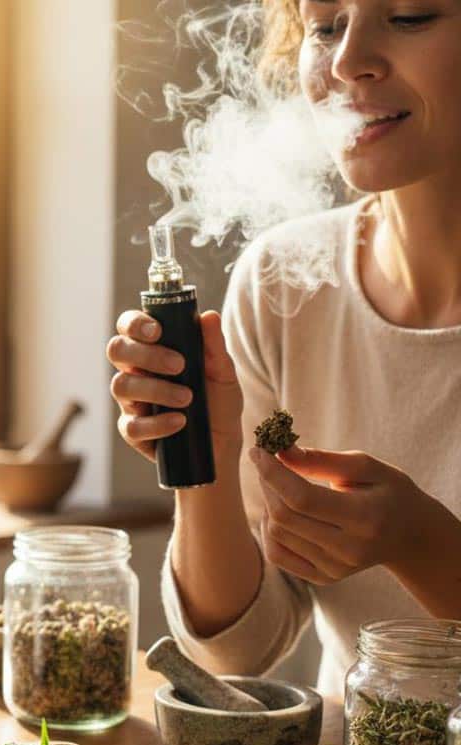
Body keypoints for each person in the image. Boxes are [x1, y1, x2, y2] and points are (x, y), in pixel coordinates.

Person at [107, 0, 461, 693]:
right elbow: (240, 648)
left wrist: (423, 547)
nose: (346, 59)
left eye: (412, 15)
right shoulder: (282, 280)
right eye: (325, 26)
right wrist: (204, 456)